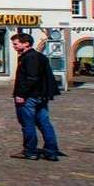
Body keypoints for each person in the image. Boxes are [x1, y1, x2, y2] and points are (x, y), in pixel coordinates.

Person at [12, 32, 63, 160]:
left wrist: (21, 94)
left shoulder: (30, 57)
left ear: (26, 43)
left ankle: (30, 151)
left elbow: (31, 78)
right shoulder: (40, 56)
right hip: (41, 95)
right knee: (44, 123)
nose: (14, 46)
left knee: (28, 123)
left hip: (30, 96)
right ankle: (51, 151)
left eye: (16, 44)